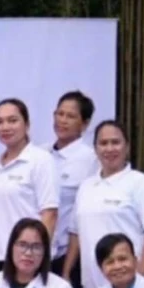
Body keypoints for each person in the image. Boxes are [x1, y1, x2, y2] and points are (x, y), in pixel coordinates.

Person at [64, 120, 144, 288]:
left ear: (126, 147)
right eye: (103, 143)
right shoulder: (85, 187)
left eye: (115, 142)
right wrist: (66, 273)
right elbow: (75, 234)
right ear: (95, 149)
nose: (109, 148)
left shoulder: (139, 182)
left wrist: (139, 281)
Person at [0, 98, 58, 277]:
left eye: (12, 120)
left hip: (29, 261)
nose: (5, 127)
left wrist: (37, 256)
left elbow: (50, 213)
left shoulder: (41, 160)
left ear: (27, 124)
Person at [44, 91, 99, 277]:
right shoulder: (40, 154)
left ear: (85, 123)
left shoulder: (91, 160)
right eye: (59, 114)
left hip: (69, 255)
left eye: (71, 116)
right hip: (36, 253)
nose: (63, 120)